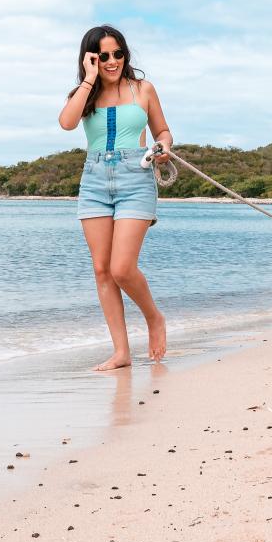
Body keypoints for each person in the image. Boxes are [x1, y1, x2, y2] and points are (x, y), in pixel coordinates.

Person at [58, 25, 173, 371]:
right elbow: (66, 122)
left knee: (121, 268)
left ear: (125, 54)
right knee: (101, 270)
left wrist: (164, 146)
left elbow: (162, 131)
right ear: (91, 59)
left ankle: (154, 318)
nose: (112, 61)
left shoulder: (144, 89)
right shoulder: (85, 93)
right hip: (94, 181)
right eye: (103, 56)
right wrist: (89, 79)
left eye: (117, 54)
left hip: (135, 177)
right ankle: (121, 352)